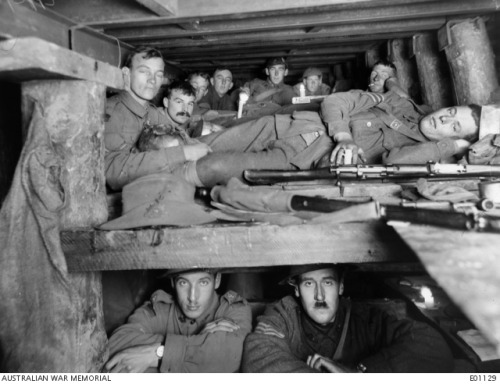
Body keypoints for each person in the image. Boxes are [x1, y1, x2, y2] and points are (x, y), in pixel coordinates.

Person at [242, 264, 454, 373]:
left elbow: (431, 344)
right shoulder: (284, 314)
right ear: (296, 290)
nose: (319, 295)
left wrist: (360, 374)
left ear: (341, 286)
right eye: (308, 284)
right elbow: (258, 357)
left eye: (327, 283)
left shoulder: (364, 318)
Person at [103, 48, 212, 191]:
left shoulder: (152, 112)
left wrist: (192, 144)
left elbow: (181, 135)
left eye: (158, 74)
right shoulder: (110, 112)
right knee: (215, 168)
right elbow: (111, 172)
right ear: (126, 74)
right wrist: (184, 153)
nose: (152, 80)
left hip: (158, 182)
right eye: (144, 71)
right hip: (134, 192)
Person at [105, 268, 252, 373]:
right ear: (173, 283)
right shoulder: (160, 309)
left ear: (217, 280)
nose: (192, 297)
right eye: (183, 283)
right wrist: (201, 341)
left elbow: (231, 355)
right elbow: (116, 344)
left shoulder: (233, 309)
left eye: (203, 282)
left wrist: (156, 354)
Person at [320, 86, 484, 165]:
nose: (444, 119)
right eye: (451, 111)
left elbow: (392, 161)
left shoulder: (431, 154)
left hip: (308, 165)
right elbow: (335, 101)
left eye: (454, 127)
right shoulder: (399, 103)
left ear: (456, 140)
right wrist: (343, 137)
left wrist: (450, 147)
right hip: (299, 128)